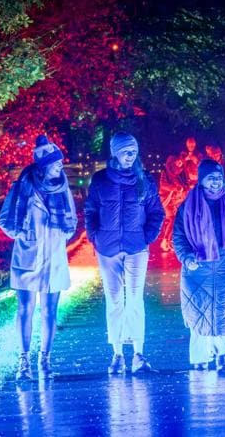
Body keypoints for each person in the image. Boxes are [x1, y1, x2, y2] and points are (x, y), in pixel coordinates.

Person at [84, 132, 165, 374]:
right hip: (107, 249)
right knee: (114, 299)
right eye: (126, 151)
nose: (130, 155)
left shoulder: (145, 180)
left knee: (135, 298)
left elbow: (156, 212)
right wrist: (95, 237)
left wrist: (146, 237)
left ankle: (138, 353)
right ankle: (117, 353)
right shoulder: (100, 180)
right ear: (115, 152)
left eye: (133, 151)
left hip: (136, 248)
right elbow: (90, 210)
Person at [0, 135, 78, 380]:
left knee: (50, 313)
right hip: (28, 258)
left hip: (53, 258)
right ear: (43, 167)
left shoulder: (62, 188)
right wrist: (23, 233)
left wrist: (64, 232)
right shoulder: (23, 186)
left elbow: (72, 221)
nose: (59, 167)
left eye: (60, 163)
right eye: (55, 164)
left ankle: (45, 358)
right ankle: (23, 361)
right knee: (25, 309)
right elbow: (5, 220)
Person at [172, 159, 225, 371]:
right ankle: (200, 357)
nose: (216, 182)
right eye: (210, 178)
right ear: (201, 180)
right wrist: (187, 257)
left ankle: (223, 355)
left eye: (219, 178)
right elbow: (178, 236)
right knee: (198, 312)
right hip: (198, 265)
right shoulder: (188, 205)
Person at [159, 155, 189, 252]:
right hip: (167, 201)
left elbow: (183, 186)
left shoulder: (177, 175)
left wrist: (183, 189)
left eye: (180, 163)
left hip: (175, 202)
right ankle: (165, 241)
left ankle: (169, 241)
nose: (179, 165)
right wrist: (174, 188)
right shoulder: (166, 173)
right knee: (172, 219)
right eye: (178, 163)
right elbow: (163, 185)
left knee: (174, 221)